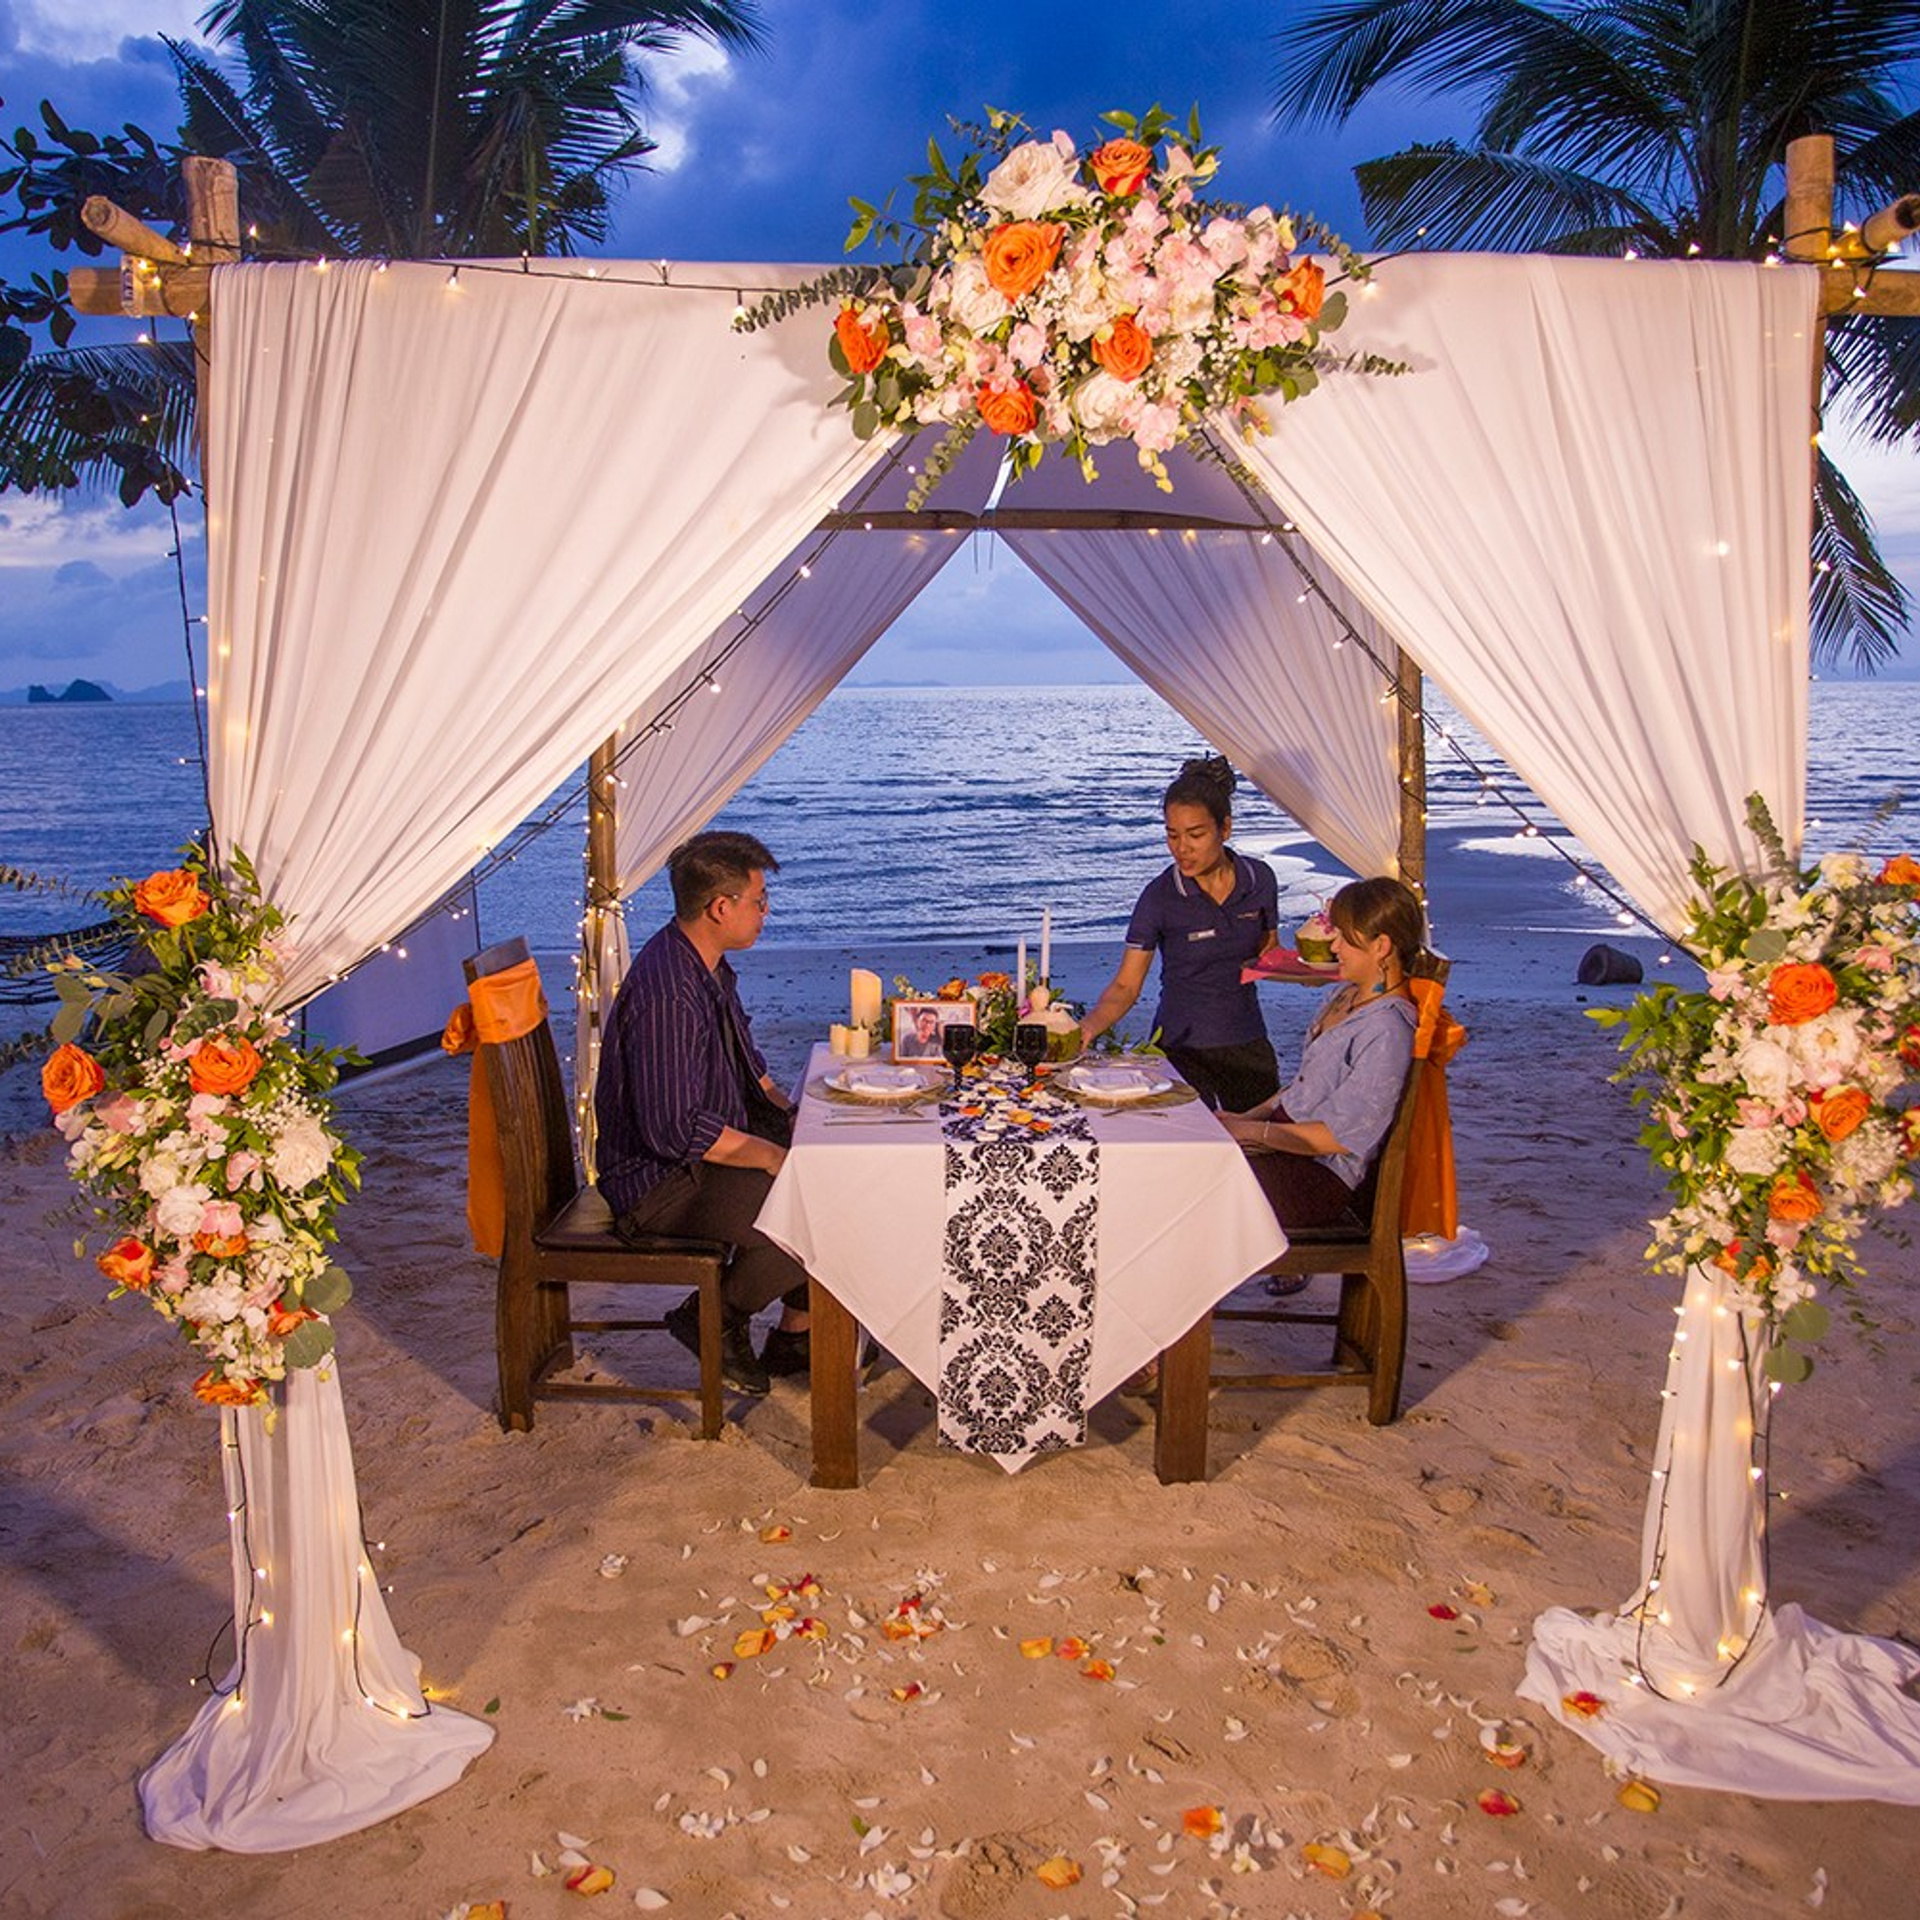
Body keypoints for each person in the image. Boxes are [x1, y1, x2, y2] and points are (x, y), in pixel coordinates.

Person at [595, 830, 812, 1393]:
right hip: (658, 1183)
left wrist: (789, 1112)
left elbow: (748, 1065)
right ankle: (715, 1315)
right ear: (720, 907)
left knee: (829, 1168)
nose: (765, 912)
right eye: (759, 901)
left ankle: (795, 1337)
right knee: (813, 1210)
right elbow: (673, 1129)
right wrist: (769, 1156)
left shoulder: (706, 964)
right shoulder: (668, 992)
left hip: (700, 1156)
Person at [1076, 754, 1281, 1110]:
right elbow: (1126, 986)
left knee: (1262, 1140)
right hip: (1178, 1051)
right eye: (1172, 835)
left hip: (1247, 1043)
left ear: (1225, 829)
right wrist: (1086, 1028)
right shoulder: (1159, 897)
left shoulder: (1259, 879)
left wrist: (1320, 967)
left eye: (1195, 835)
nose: (1181, 848)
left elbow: (1269, 951)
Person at [1216, 876, 1423, 1229]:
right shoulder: (1348, 995)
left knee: (1193, 1181)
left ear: (1381, 946)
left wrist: (1252, 1133)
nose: (1334, 947)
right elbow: (1307, 1084)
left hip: (1317, 1177)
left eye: (1345, 938)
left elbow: (1339, 1138)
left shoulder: (1387, 1030)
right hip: (1286, 1145)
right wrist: (1246, 1118)